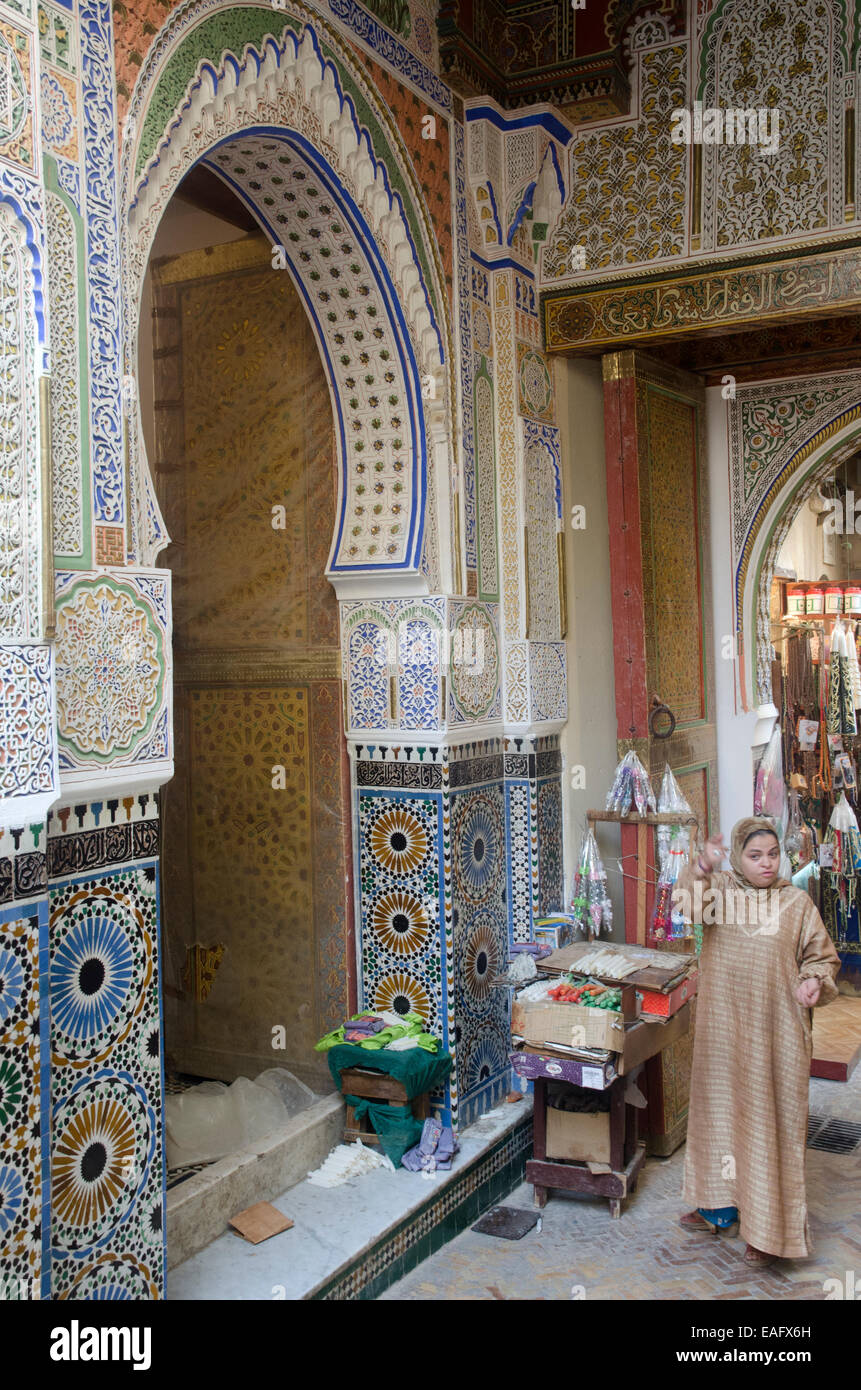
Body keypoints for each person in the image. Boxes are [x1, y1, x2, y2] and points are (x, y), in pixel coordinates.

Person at [673, 816, 840, 1267]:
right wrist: (701, 865)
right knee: (721, 1115)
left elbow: (821, 958)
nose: (766, 864)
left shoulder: (797, 903)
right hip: (724, 1033)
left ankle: (767, 1232)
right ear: (737, 857)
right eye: (754, 855)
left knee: (769, 1126)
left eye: (772, 855)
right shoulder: (721, 893)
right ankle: (717, 1208)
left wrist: (814, 983)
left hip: (777, 1037)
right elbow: (687, 904)